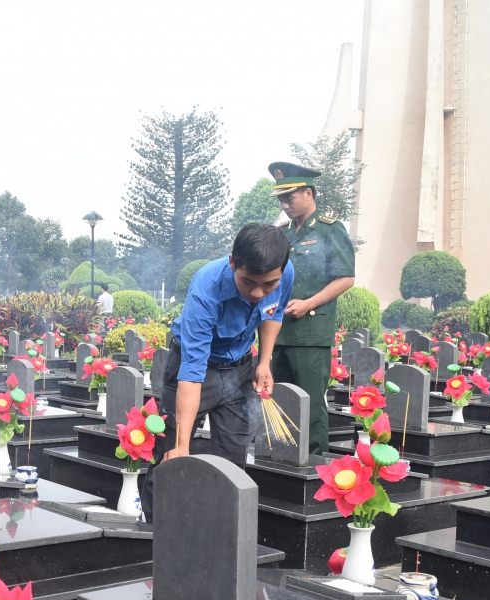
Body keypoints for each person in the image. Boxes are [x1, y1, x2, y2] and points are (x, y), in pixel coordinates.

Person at [141, 224, 294, 522]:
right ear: (233, 262)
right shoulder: (206, 289)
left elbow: (274, 311)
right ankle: (153, 532)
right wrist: (183, 445)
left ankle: (220, 534)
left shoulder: (283, 272)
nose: (258, 292)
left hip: (240, 369)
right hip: (197, 369)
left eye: (268, 284)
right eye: (248, 282)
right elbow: (192, 370)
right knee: (170, 454)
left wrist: (264, 362)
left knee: (233, 461)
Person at [267, 161, 356, 455]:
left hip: (311, 333)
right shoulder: (282, 232)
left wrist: (308, 304)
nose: (285, 205)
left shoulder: (331, 230)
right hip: (277, 331)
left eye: (289, 197)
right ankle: (281, 458)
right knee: (278, 399)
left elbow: (345, 278)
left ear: (308, 193)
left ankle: (314, 467)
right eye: (280, 199)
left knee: (311, 404)